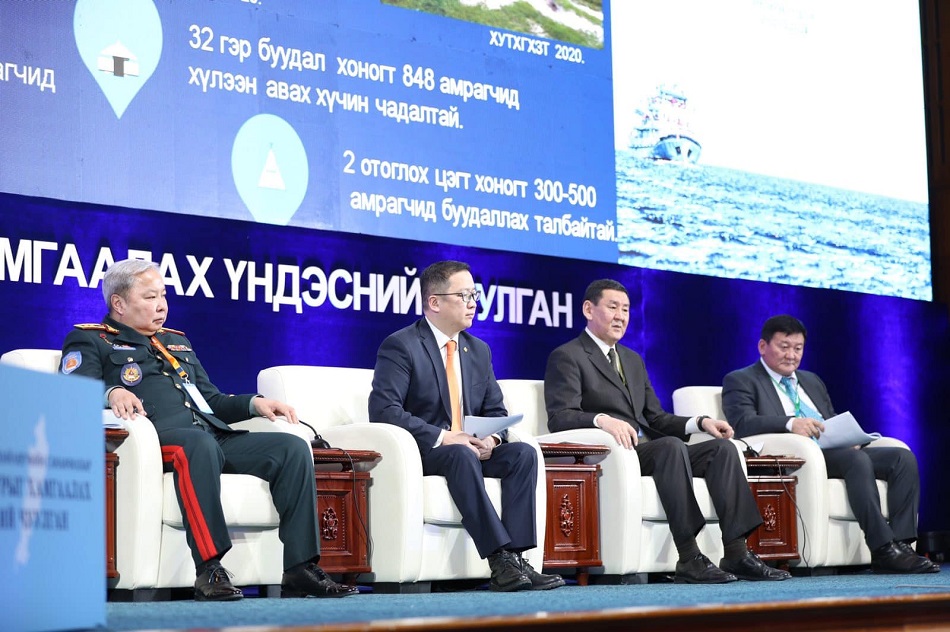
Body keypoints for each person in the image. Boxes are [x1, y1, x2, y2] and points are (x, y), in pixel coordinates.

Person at [61, 259, 359, 600]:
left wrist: (255, 404)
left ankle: (300, 568)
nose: (161, 305)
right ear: (119, 303)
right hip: (157, 442)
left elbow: (211, 400)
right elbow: (71, 394)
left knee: (291, 448)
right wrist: (111, 392)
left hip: (210, 436)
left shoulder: (177, 342)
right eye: (150, 297)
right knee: (198, 445)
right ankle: (209, 568)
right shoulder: (91, 339)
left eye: (163, 296)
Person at [544, 279, 789, 583]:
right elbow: (560, 416)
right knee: (670, 447)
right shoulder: (568, 355)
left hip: (648, 450)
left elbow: (655, 417)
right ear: (588, 309)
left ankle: (737, 553)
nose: (621, 316)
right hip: (613, 454)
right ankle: (689, 556)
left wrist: (700, 423)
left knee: (722, 449)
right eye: (612, 307)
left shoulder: (632, 360)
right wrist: (602, 420)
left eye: (626, 309)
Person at [368, 260, 564, 592]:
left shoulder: (478, 350)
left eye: (475, 295)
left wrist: (493, 439)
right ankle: (499, 559)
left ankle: (518, 559)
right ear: (434, 302)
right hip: (426, 451)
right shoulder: (401, 345)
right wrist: (445, 437)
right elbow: (384, 410)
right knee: (459, 453)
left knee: (523, 455)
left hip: (472, 450)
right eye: (464, 296)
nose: (473, 303)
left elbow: (495, 409)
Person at [721, 314, 938, 574]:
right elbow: (742, 423)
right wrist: (790, 424)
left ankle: (902, 546)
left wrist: (849, 437)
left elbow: (829, 419)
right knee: (856, 460)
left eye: (798, 348)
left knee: (902, 458)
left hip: (833, 450)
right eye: (784, 346)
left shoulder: (812, 380)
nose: (791, 355)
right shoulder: (741, 379)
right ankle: (883, 548)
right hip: (798, 456)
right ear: (762, 346)